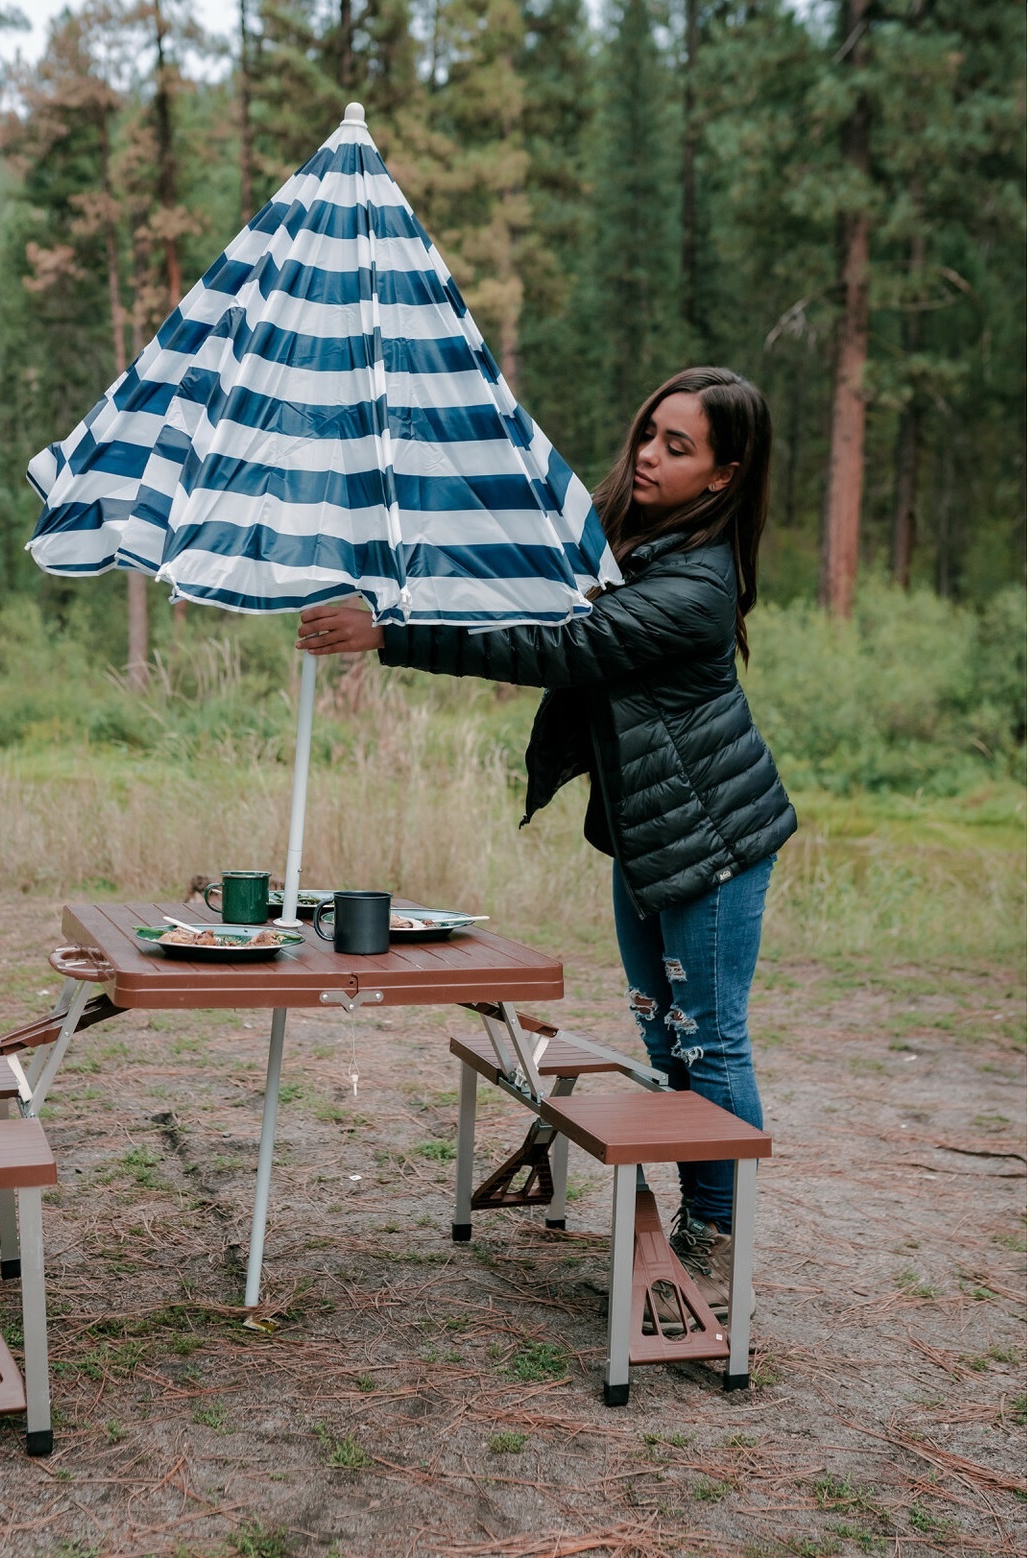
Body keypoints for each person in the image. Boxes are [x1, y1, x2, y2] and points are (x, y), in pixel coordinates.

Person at [297, 366, 794, 1304]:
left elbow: (556, 644)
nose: (647, 454)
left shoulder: (694, 585)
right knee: (660, 1027)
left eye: (676, 446)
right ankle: (700, 1211)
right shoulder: (627, 536)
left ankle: (716, 1234)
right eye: (649, 432)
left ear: (724, 475)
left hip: (715, 842)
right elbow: (511, 531)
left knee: (709, 1037)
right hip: (650, 836)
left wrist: (389, 631)